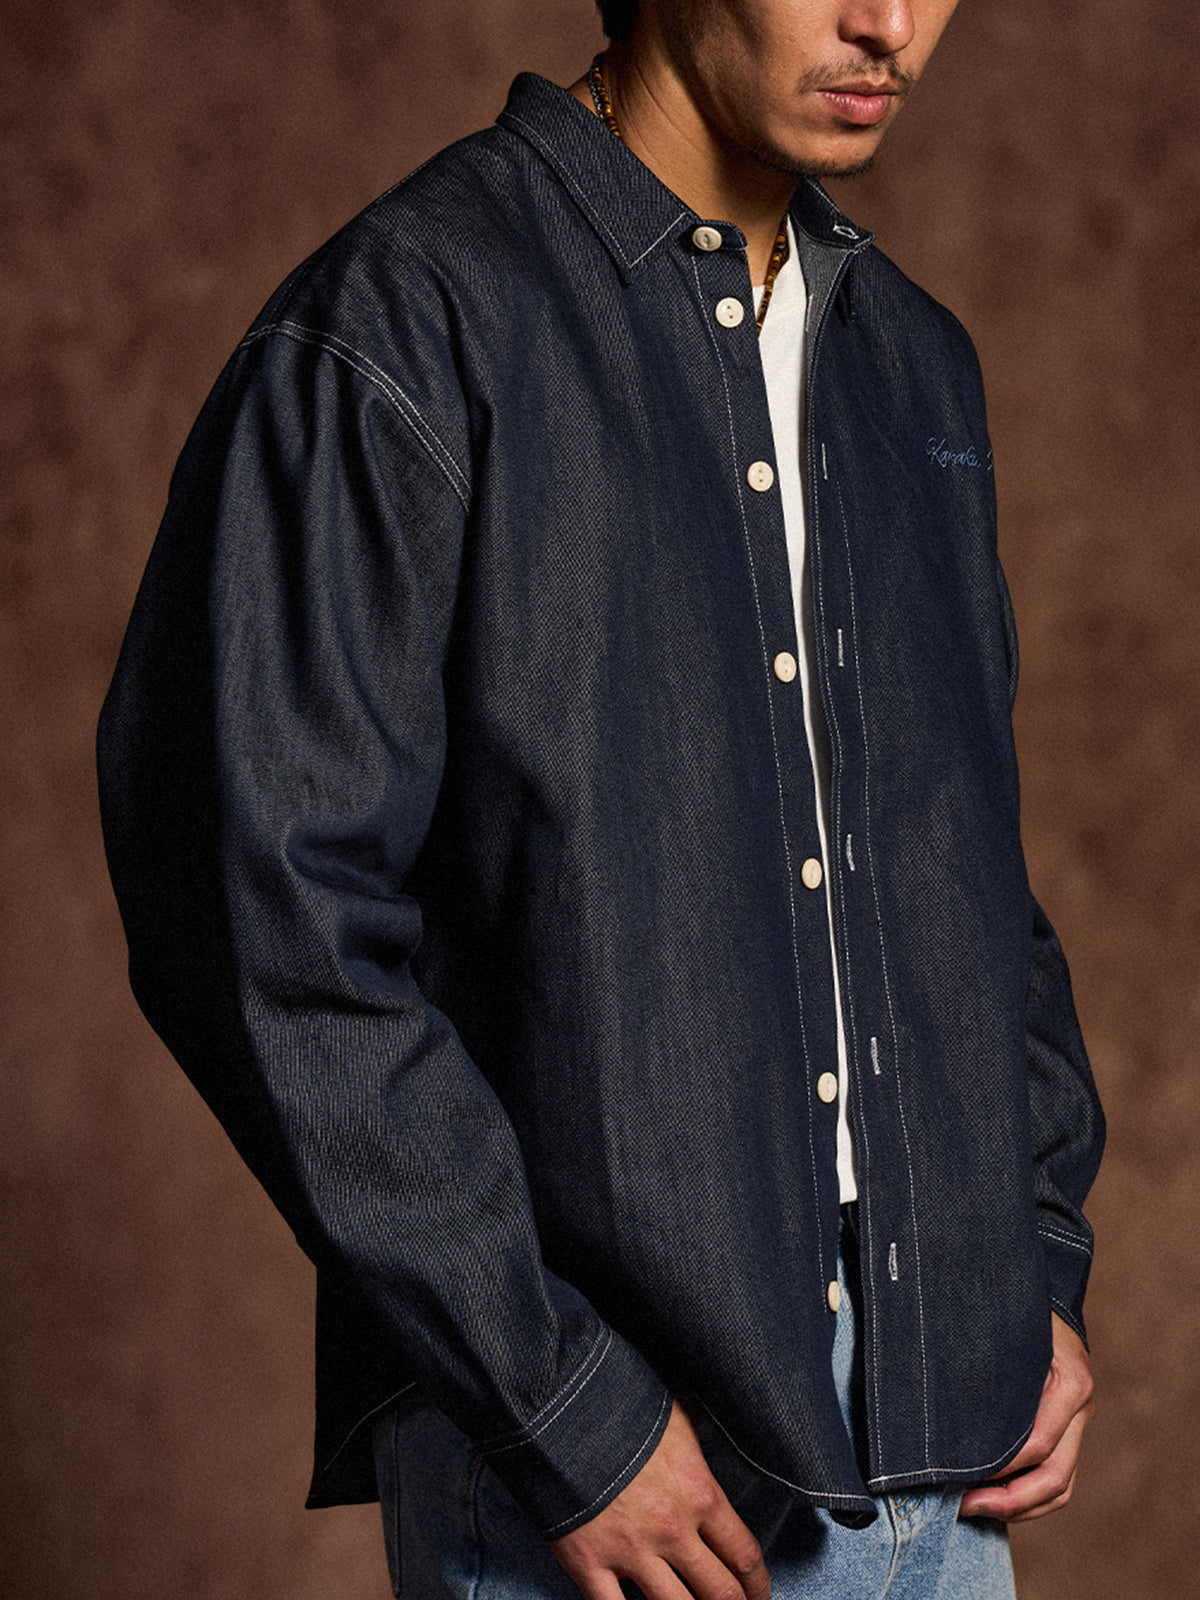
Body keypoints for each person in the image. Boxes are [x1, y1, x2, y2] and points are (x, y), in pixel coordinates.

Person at [97, 1, 1106, 1595]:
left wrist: (1032, 1262)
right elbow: (255, 906)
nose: (890, 23)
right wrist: (560, 1408)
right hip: (621, 1462)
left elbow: (963, 873)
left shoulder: (913, 359)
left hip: (948, 1447)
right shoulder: (411, 317)